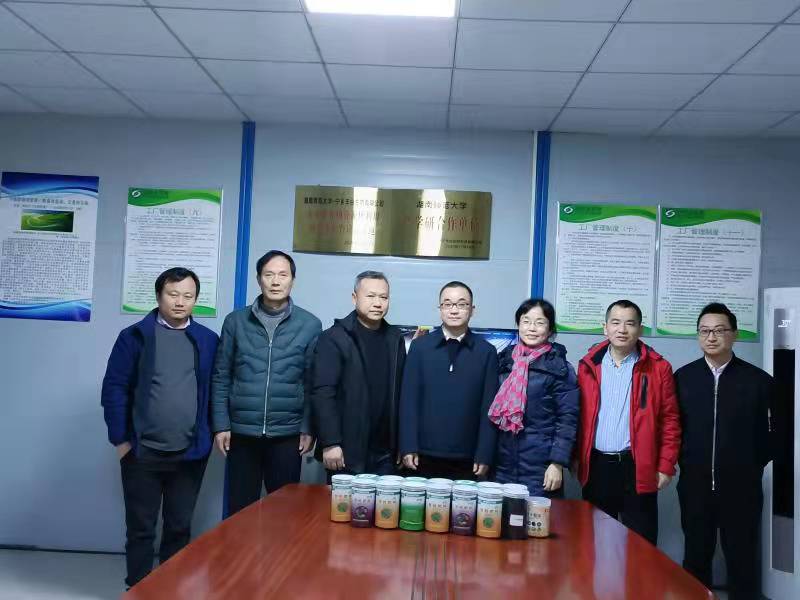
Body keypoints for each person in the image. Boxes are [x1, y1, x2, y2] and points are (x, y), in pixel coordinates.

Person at [101, 267, 219, 589]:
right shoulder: (134, 336)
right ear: (158, 296)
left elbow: (216, 389)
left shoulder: (208, 340)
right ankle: (138, 589)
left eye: (188, 296)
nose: (180, 302)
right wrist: (121, 440)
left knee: (179, 526)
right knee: (141, 528)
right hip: (142, 451)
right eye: (173, 294)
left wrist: (210, 434)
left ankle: (170, 589)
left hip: (190, 452)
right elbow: (114, 388)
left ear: (196, 300)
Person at [675, 303, 773, 600]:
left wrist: (752, 463)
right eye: (704, 331)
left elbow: (778, 432)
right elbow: (672, 428)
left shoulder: (758, 381)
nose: (711, 337)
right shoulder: (683, 378)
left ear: (734, 334)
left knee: (742, 558)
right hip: (695, 485)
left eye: (719, 330)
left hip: (742, 487)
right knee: (695, 556)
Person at [211, 250, 321, 516]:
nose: (275, 281)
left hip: (287, 433)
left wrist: (308, 427)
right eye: (269, 274)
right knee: (240, 512)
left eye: (283, 275)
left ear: (292, 280)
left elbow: (312, 382)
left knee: (284, 513)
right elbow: (221, 375)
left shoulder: (310, 324)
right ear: (259, 279)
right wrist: (221, 424)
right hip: (242, 432)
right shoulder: (236, 321)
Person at [574, 299, 681, 545]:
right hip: (597, 465)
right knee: (595, 542)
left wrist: (666, 465)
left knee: (640, 544)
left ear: (640, 329)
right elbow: (577, 415)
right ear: (605, 328)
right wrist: (575, 456)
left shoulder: (658, 368)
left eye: (630, 324)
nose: (622, 329)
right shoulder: (588, 365)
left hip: (638, 465)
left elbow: (670, 420)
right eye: (615, 323)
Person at [399, 281, 499, 480]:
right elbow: (409, 401)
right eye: (447, 304)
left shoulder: (486, 352)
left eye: (461, 304)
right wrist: (408, 445)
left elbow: (489, 407)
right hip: (423, 455)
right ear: (440, 309)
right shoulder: (420, 348)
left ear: (472, 310)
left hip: (469, 458)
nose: (454, 310)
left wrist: (485, 452)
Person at [311, 271, 406, 476]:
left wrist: (402, 443)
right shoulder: (333, 338)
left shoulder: (395, 338)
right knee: (342, 499)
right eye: (370, 296)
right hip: (346, 449)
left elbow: (401, 394)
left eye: (384, 297)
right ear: (355, 298)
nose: (378, 303)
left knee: (386, 499)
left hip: (385, 452)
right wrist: (331, 442)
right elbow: (323, 393)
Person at [490, 298, 579, 497]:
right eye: (526, 321)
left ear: (550, 328)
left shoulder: (560, 368)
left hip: (541, 468)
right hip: (501, 465)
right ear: (518, 324)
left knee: (537, 516)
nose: (532, 328)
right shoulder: (503, 362)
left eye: (540, 322)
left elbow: (568, 420)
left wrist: (557, 463)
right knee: (501, 516)